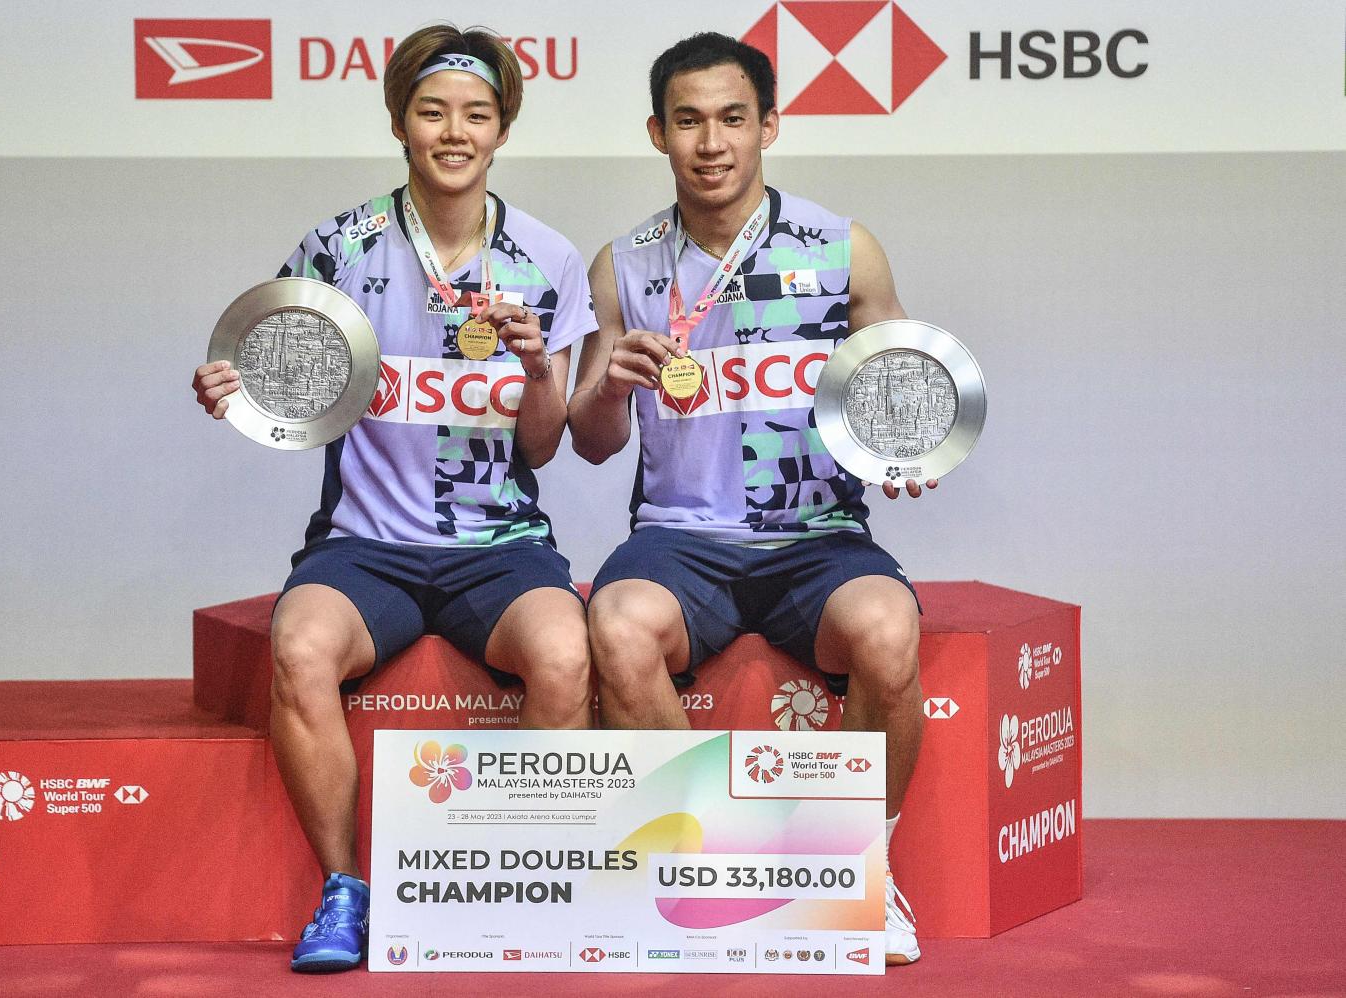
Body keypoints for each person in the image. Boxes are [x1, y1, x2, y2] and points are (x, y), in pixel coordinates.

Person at [191, 24, 596, 973]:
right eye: (432, 112)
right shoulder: (338, 245)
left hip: (500, 545)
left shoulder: (547, 258)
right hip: (362, 546)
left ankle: (494, 873)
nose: (454, 132)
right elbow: (294, 392)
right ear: (399, 122)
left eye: (476, 115)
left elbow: (545, 443)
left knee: (566, 651)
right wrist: (236, 392)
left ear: (502, 131)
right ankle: (347, 890)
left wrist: (540, 367)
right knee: (299, 647)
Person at [567, 32, 937, 966]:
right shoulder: (625, 265)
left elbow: (903, 390)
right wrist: (611, 384)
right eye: (688, 120)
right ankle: (719, 859)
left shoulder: (841, 245)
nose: (712, 141)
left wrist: (911, 449)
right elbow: (592, 440)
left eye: (734, 118)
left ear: (769, 124)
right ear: (657, 133)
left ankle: (862, 872)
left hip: (817, 538)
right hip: (679, 541)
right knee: (615, 626)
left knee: (889, 634)